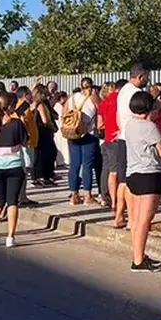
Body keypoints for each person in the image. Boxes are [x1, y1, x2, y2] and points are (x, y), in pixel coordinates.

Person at [121, 90, 161, 272]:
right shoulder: (150, 127)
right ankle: (138, 260)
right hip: (149, 174)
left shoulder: (130, 124)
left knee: (135, 219)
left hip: (133, 174)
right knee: (144, 221)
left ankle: (138, 254)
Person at [0, 92, 27, 248]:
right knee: (12, 201)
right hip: (14, 166)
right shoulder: (16, 124)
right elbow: (26, 143)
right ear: (12, 107)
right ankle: (10, 237)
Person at [66, 79, 101, 207]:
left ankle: (74, 194)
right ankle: (87, 195)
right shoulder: (93, 98)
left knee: (74, 164)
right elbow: (101, 110)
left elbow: (65, 114)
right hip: (89, 134)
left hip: (73, 133)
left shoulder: (72, 98)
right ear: (91, 86)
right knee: (87, 165)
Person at [100, 79, 126, 226]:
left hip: (108, 138)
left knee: (111, 171)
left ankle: (113, 201)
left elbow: (99, 123)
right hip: (118, 139)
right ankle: (118, 204)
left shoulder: (104, 102)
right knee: (119, 173)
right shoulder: (122, 100)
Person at [31, 83, 59, 186]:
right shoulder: (41, 105)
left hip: (37, 131)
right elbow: (45, 120)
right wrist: (53, 127)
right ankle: (43, 176)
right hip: (44, 132)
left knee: (38, 155)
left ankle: (38, 176)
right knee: (47, 155)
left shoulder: (33, 104)